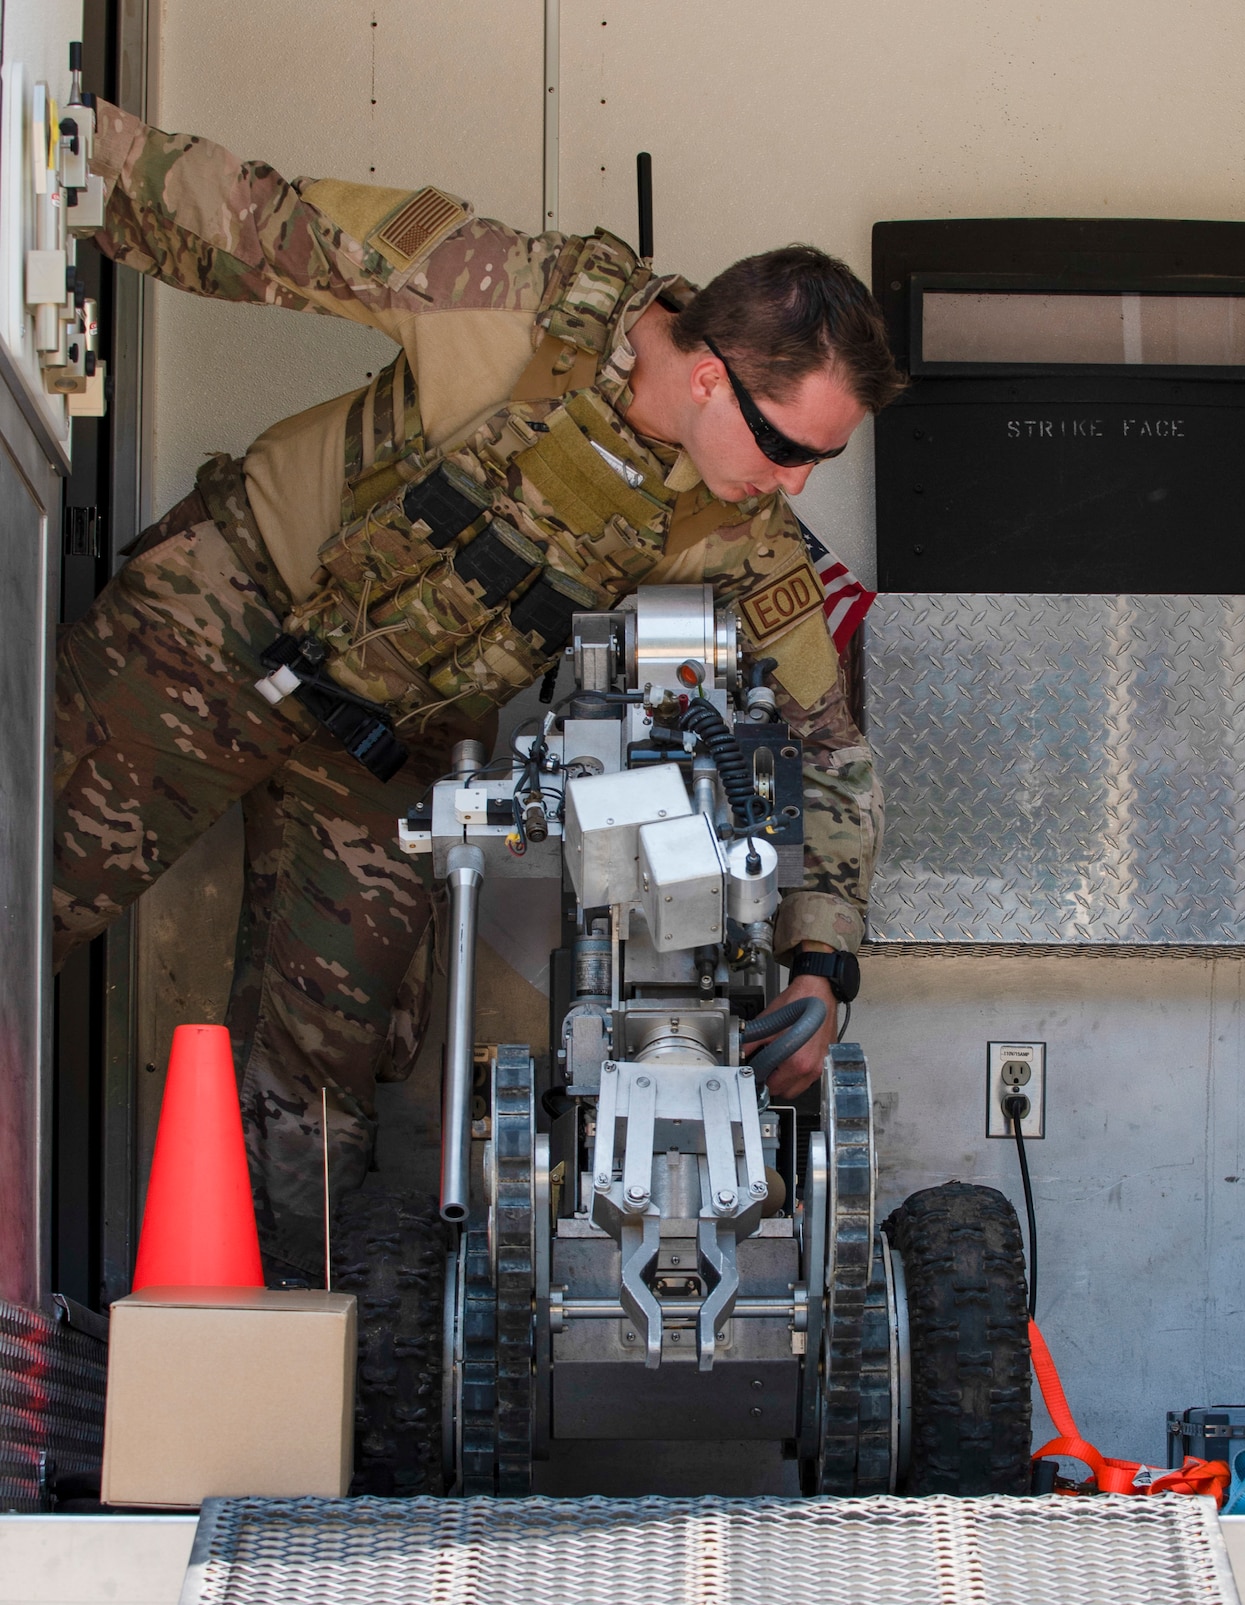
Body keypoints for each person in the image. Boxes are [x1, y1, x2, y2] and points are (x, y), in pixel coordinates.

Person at [56, 103, 902, 1283]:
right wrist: (52, 145)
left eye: (823, 459)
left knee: (324, 1069)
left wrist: (821, 960)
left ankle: (276, 1367)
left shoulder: (737, 529)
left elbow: (834, 754)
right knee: (23, 897)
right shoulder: (509, 297)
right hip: (217, 628)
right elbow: (259, 226)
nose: (798, 481)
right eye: (790, 445)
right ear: (711, 377)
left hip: (386, 755)